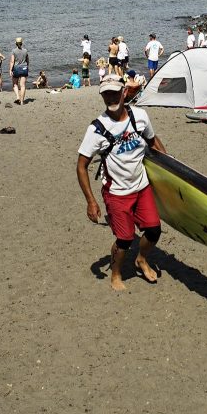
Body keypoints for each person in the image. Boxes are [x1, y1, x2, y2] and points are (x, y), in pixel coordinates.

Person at [76, 74, 167, 291]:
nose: (110, 98)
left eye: (114, 93)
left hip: (142, 186)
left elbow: (153, 141)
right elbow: (81, 166)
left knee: (154, 230)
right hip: (116, 192)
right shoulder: (96, 129)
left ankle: (141, 259)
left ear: (124, 92)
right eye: (106, 94)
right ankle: (115, 274)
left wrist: (169, 168)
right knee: (124, 239)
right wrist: (91, 201)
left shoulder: (141, 116)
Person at [9, 37, 29, 105]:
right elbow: (27, 60)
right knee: (23, 85)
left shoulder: (14, 51)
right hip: (24, 68)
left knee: (15, 84)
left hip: (17, 68)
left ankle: (18, 97)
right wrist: (27, 67)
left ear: (16, 43)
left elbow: (12, 61)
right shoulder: (25, 51)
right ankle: (22, 101)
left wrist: (10, 70)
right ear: (22, 43)